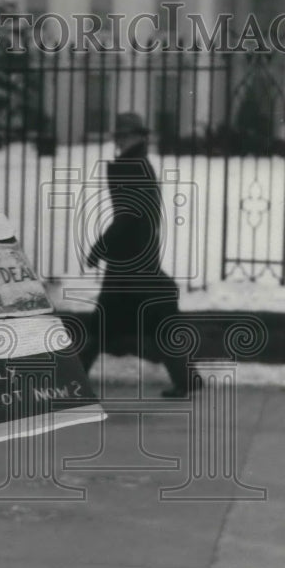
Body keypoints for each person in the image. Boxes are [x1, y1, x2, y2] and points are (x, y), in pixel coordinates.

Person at [79, 111, 199, 398]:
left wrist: (100, 247)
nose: (119, 140)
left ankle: (72, 381)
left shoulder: (131, 166)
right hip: (139, 258)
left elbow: (128, 216)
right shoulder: (140, 163)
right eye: (118, 136)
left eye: (123, 135)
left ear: (135, 137)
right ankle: (186, 378)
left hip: (128, 262)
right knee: (155, 316)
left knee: (103, 323)